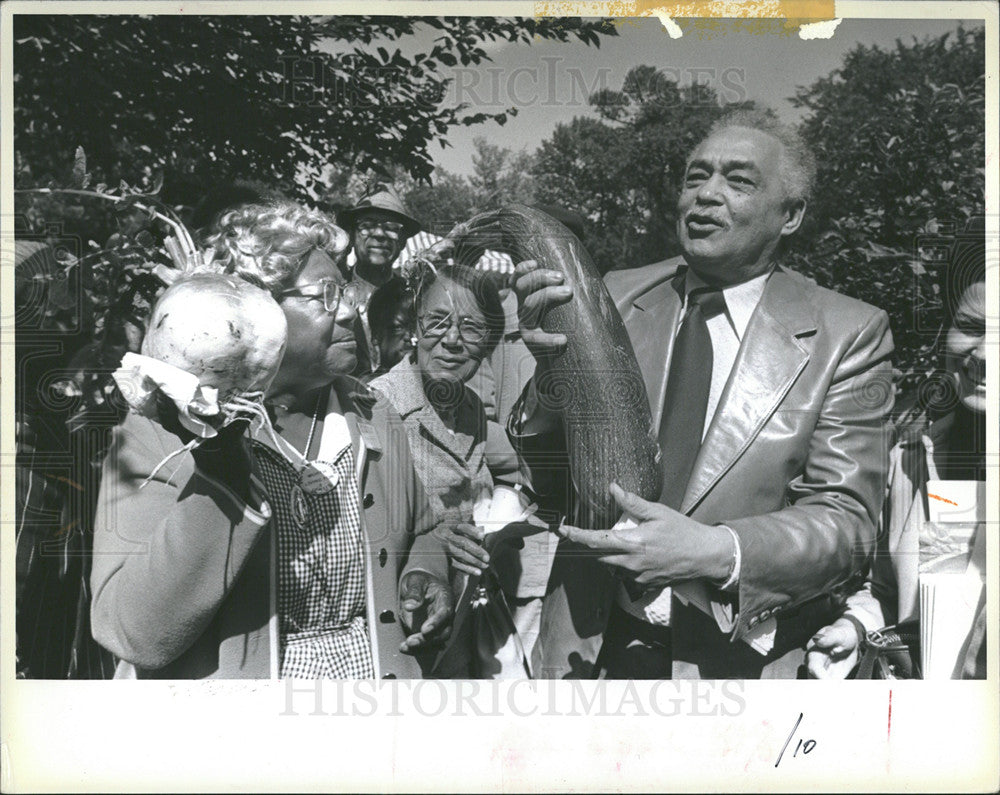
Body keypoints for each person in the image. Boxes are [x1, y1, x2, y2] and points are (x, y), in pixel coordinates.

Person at [513, 108, 895, 679]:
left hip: (736, 662)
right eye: (696, 176)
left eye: (738, 181)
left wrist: (717, 551)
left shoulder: (848, 333)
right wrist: (551, 380)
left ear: (790, 215)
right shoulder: (609, 296)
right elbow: (546, 485)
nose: (706, 195)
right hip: (587, 648)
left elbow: (847, 525)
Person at [90, 202, 453, 679]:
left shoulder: (370, 415)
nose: (349, 310)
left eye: (344, 290)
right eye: (326, 294)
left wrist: (426, 573)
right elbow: (130, 632)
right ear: (256, 315)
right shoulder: (159, 436)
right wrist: (221, 478)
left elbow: (423, 527)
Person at [806, 269, 987, 679]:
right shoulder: (911, 458)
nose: (983, 354)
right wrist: (855, 628)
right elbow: (888, 592)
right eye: (971, 328)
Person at [370, 265, 544, 677]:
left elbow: (519, 468)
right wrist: (434, 545)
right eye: (437, 322)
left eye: (470, 329)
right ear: (415, 327)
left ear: (489, 346)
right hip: (405, 626)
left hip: (465, 621)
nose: (450, 341)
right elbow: (364, 529)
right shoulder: (377, 406)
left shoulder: (468, 408)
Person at [338, 185, 422, 376]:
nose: (379, 234)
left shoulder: (417, 297)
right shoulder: (333, 294)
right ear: (351, 235)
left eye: (391, 228)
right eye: (367, 225)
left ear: (402, 242)